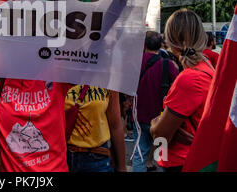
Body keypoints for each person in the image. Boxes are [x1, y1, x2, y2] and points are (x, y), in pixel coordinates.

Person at [150, 9, 214, 172]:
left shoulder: (189, 79)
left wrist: (154, 125)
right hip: (198, 159)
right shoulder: (207, 68)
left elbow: (160, 139)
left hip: (181, 164)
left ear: (171, 41)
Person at [131, 31, 179, 172]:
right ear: (161, 45)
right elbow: (178, 87)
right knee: (161, 157)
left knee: (140, 154)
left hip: (139, 117)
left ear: (144, 45)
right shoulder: (168, 65)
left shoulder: (134, 63)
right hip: (161, 120)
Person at [65, 85, 127, 172]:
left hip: (97, 158)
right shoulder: (54, 77)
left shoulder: (108, 78)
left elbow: (115, 126)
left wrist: (122, 167)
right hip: (61, 158)